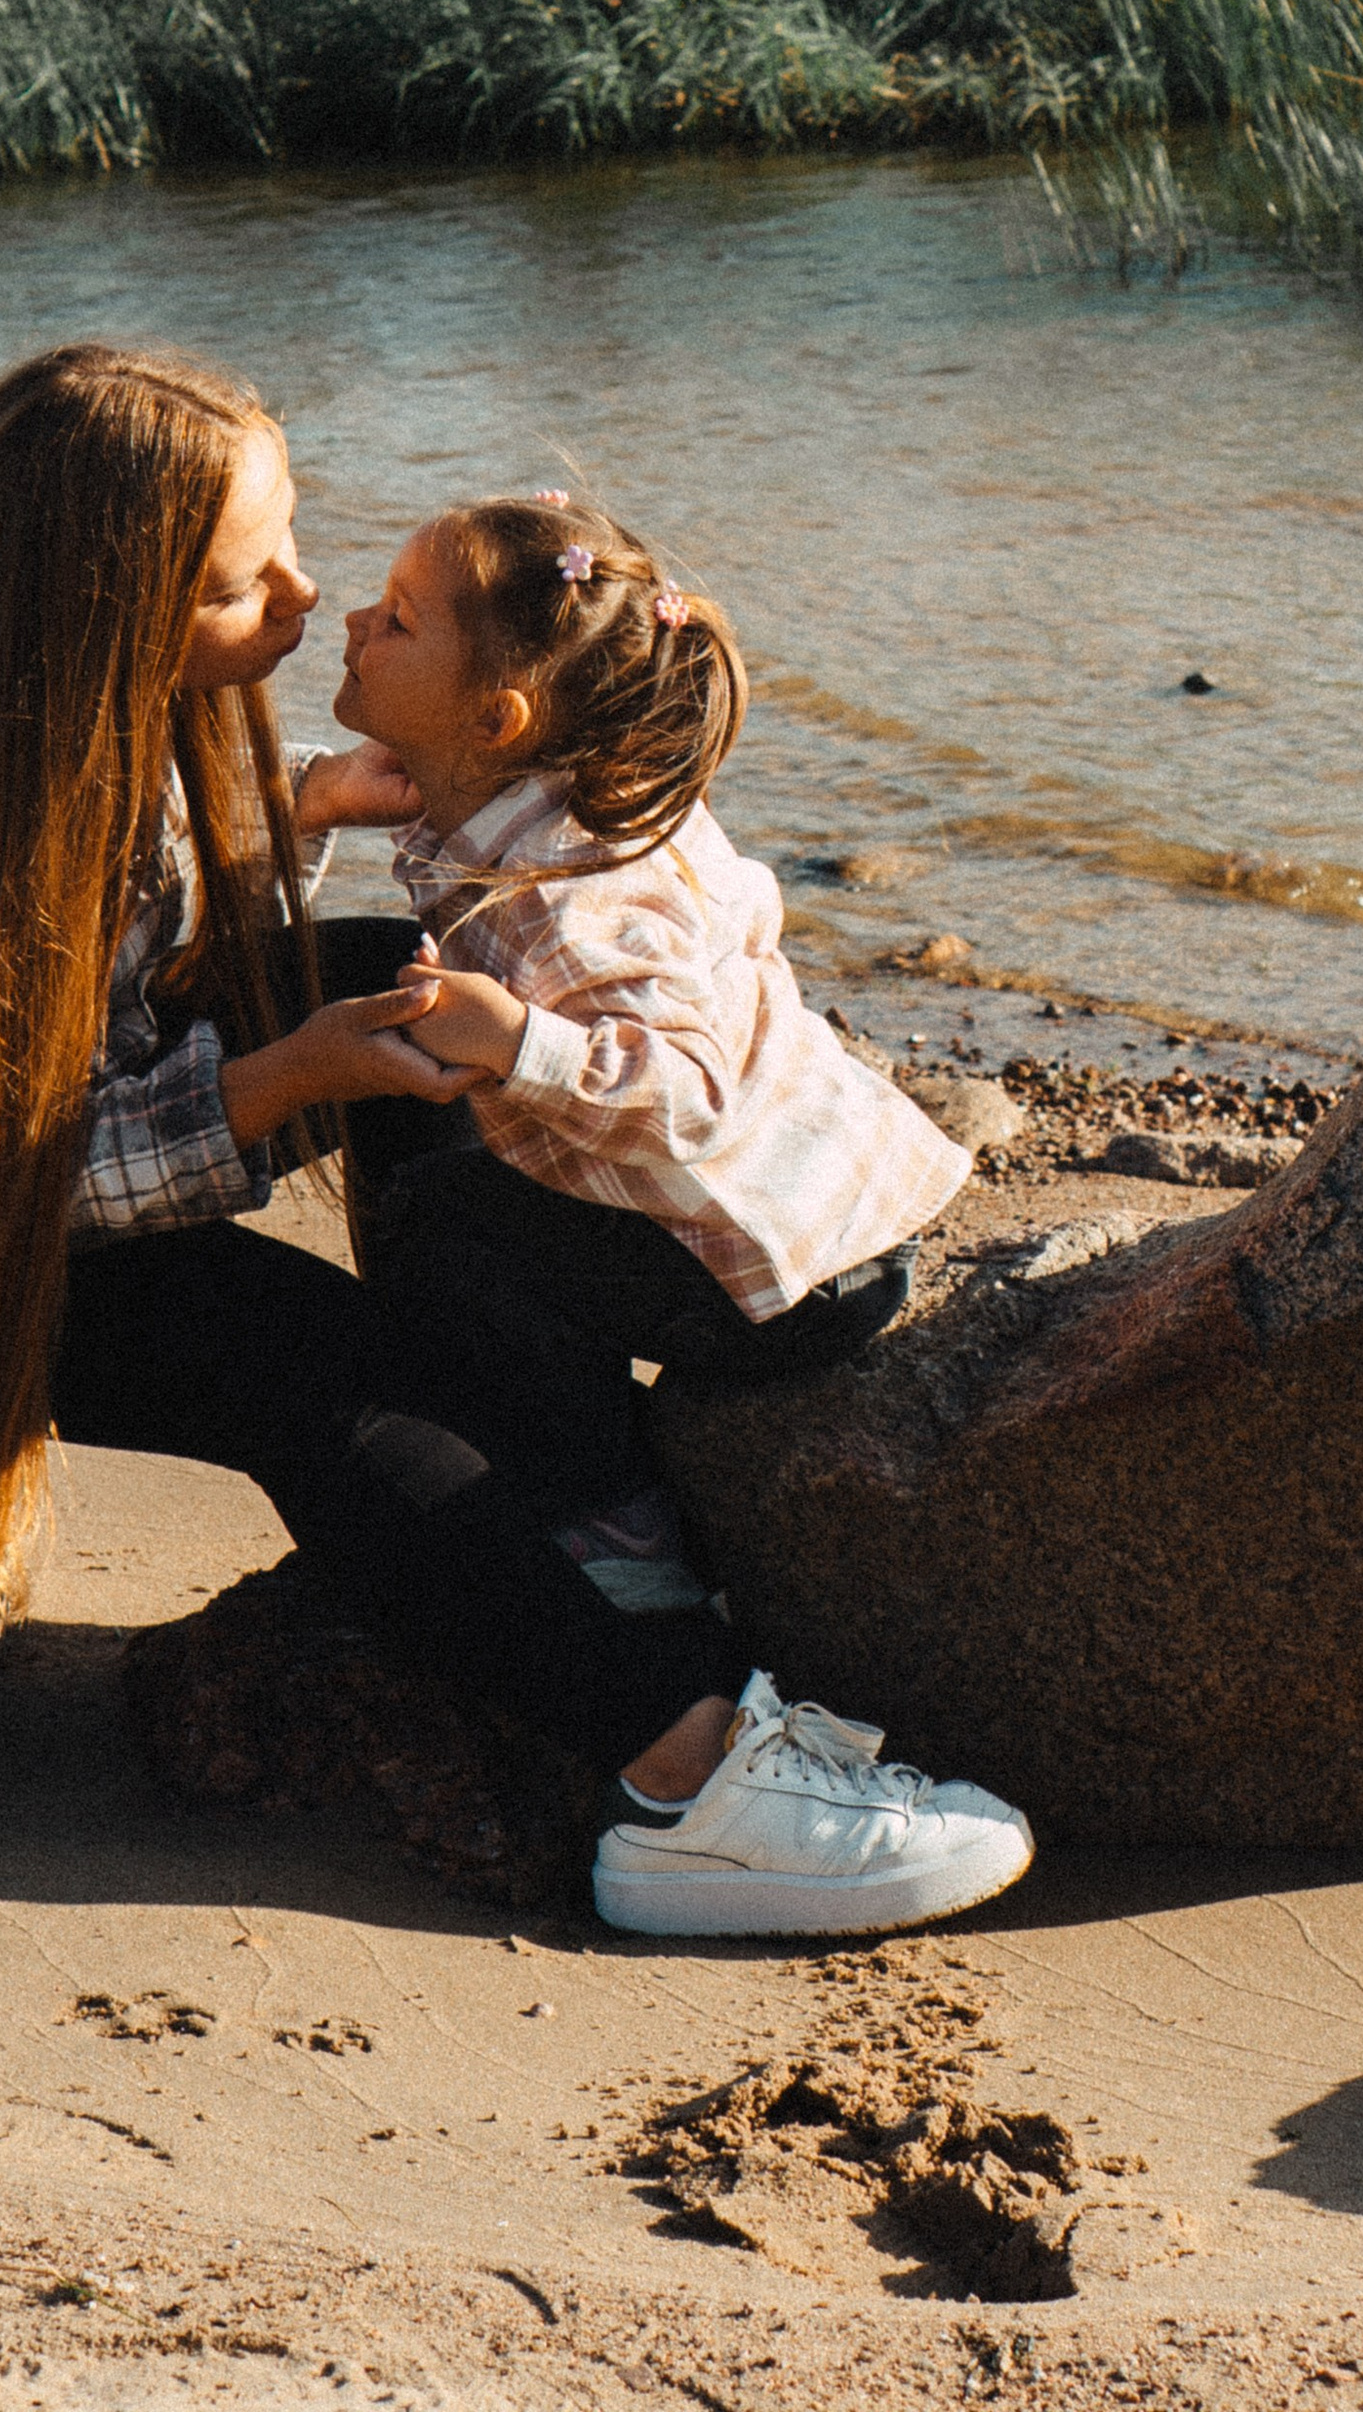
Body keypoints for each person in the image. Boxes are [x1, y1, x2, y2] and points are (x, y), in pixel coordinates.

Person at [0, 346, 1028, 1940]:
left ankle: (545, 1490)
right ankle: (685, 1775)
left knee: (381, 990)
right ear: (103, 603)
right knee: (306, 1368)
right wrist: (268, 1089)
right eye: (237, 580)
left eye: (291, 534)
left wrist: (297, 825)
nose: (302, 590)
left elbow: (103, 948)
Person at [333, 488, 1032, 1934]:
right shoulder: (593, 810)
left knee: (441, 1227)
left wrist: (520, 1046)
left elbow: (693, 1093)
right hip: (834, 1206)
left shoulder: (559, 907)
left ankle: (612, 1521)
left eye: (395, 619)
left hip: (781, 1279)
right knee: (450, 1152)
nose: (352, 617)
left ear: (502, 720)